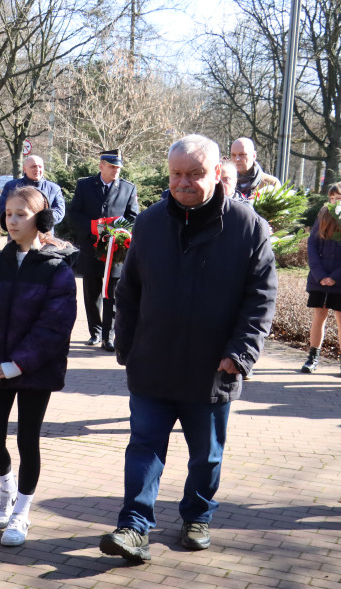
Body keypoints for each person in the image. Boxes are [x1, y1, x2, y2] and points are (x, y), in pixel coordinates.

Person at [99, 135, 277, 562]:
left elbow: (261, 298)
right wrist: (127, 346)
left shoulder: (248, 227)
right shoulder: (149, 222)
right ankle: (133, 526)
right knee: (143, 446)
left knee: (207, 456)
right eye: (176, 174)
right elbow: (130, 291)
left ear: (217, 173)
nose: (183, 183)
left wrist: (241, 353)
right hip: (153, 362)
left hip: (213, 366)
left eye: (195, 174)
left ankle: (197, 515)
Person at [0, 187, 77, 546]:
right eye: (8, 213)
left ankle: (22, 512)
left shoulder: (57, 270)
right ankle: (7, 488)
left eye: (21, 214)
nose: (12, 220)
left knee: (28, 441)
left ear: (41, 220)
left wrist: (16, 366)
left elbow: (54, 328)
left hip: (33, 372)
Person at [69, 149, 140, 351]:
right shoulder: (85, 185)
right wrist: (94, 228)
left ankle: (109, 336)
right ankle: (95, 332)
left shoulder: (128, 188)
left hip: (115, 248)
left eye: (118, 167)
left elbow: (133, 217)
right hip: (91, 246)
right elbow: (74, 213)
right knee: (92, 292)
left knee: (113, 293)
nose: (116, 171)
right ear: (101, 166)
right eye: (112, 167)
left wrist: (114, 231)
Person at [300, 182, 341, 378]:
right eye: (332, 198)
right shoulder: (324, 214)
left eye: (339, 198)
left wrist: (336, 277)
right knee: (318, 317)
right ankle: (312, 358)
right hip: (319, 278)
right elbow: (312, 244)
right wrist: (320, 275)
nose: (334, 202)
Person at [0, 155, 66, 228]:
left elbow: (59, 211)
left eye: (40, 167)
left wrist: (44, 219)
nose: (37, 169)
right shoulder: (11, 186)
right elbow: (2, 208)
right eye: (33, 166)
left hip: (44, 236)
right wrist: (19, 218)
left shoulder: (54, 188)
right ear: (24, 169)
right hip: (18, 233)